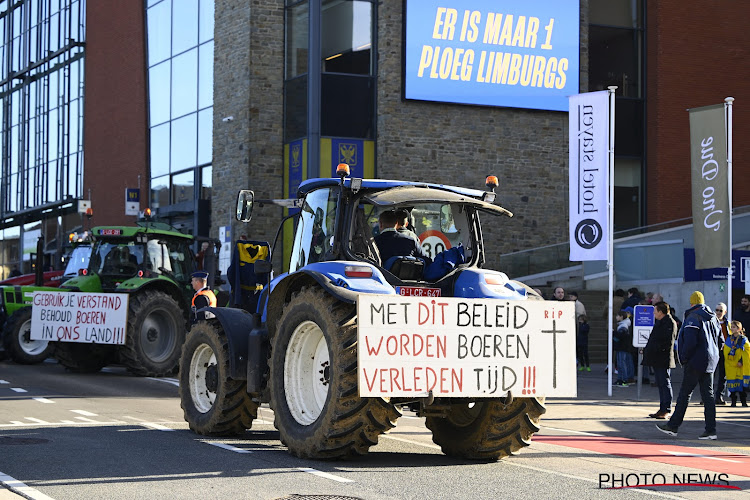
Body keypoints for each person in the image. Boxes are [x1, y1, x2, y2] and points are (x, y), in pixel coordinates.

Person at [656, 291, 721, 440]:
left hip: (695, 361)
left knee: (685, 394)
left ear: (692, 303)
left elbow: (690, 341)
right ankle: (711, 430)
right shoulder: (713, 318)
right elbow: (721, 339)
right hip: (710, 360)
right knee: (708, 396)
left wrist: (684, 358)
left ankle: (673, 426)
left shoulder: (693, 316)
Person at [643, 302, 677, 419]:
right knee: (660, 383)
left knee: (665, 383)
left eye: (655, 311)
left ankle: (666, 409)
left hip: (663, 358)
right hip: (657, 358)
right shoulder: (660, 322)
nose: (653, 313)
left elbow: (666, 342)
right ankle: (662, 408)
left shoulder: (669, 323)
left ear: (661, 312)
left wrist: (655, 349)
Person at [724, 321, 749, 407]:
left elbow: (747, 351)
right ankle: (733, 402)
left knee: (741, 386)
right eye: (731, 327)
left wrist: (741, 361)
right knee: (732, 385)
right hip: (731, 365)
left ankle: (743, 402)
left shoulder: (743, 339)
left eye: (734, 327)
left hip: (740, 365)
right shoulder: (729, 338)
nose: (732, 329)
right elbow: (726, 350)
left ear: (739, 329)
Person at [714, 303, 730, 405]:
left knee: (723, 376)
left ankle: (719, 396)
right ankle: (707, 396)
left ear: (725, 312)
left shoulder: (728, 324)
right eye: (717, 310)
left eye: (721, 310)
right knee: (710, 375)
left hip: (725, 352)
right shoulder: (711, 322)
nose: (719, 312)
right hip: (714, 352)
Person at [613, 310, 633, 387]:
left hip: (622, 347)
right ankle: (620, 379)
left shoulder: (623, 326)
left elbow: (619, 337)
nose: (616, 317)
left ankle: (624, 380)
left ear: (621, 317)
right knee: (620, 363)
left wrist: (614, 333)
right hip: (621, 347)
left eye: (617, 316)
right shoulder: (623, 325)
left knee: (622, 363)